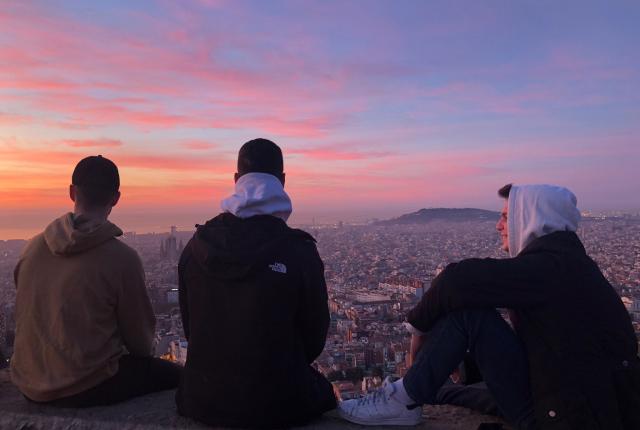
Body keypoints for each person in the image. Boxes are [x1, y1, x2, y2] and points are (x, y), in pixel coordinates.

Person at [339, 184, 640, 429]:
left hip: (568, 418)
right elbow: (549, 351)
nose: (498, 226)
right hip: (574, 404)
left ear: (532, 217)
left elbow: (457, 280)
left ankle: (401, 400)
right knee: (446, 391)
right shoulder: (567, 263)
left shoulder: (552, 266)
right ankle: (417, 392)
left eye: (507, 217)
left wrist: (417, 329)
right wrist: (467, 365)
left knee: (470, 316)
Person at [175, 138, 336, 428]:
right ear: (283, 181)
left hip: (201, 399)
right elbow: (314, 340)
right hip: (278, 402)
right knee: (326, 392)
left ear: (236, 180)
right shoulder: (298, 251)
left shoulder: (196, 247)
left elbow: (191, 329)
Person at [11, 155, 181, 407]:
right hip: (86, 386)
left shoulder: (32, 248)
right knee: (182, 377)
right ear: (116, 198)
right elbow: (142, 344)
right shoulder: (122, 258)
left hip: (29, 384)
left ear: (72, 192)